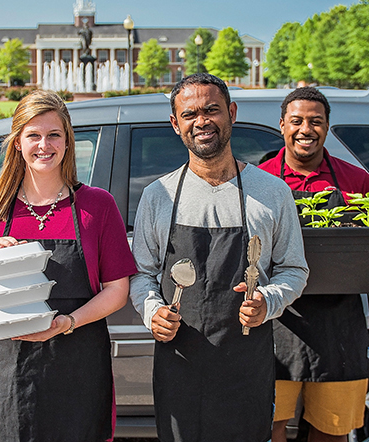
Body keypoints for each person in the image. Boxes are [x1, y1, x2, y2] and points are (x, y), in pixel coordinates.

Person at [129, 73, 309, 442]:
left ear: (231, 112)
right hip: (179, 362)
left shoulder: (272, 192)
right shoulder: (158, 196)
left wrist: (267, 301)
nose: (202, 121)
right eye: (190, 113)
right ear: (175, 124)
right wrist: (152, 313)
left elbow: (294, 269)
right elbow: (142, 274)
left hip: (245, 365)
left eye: (212, 110)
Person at [0, 90, 136, 441]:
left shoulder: (97, 206)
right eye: (33, 135)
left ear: (67, 142)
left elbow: (117, 290)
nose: (44, 145)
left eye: (54, 135)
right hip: (8, 373)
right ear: (17, 143)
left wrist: (67, 322)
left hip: (78, 369)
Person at [258, 87, 369, 442]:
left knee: (333, 430)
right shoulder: (260, 179)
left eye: (315, 121)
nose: (305, 129)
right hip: (276, 319)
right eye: (296, 121)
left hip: (339, 323)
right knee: (266, 426)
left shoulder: (355, 180)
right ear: (282, 125)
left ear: (327, 127)